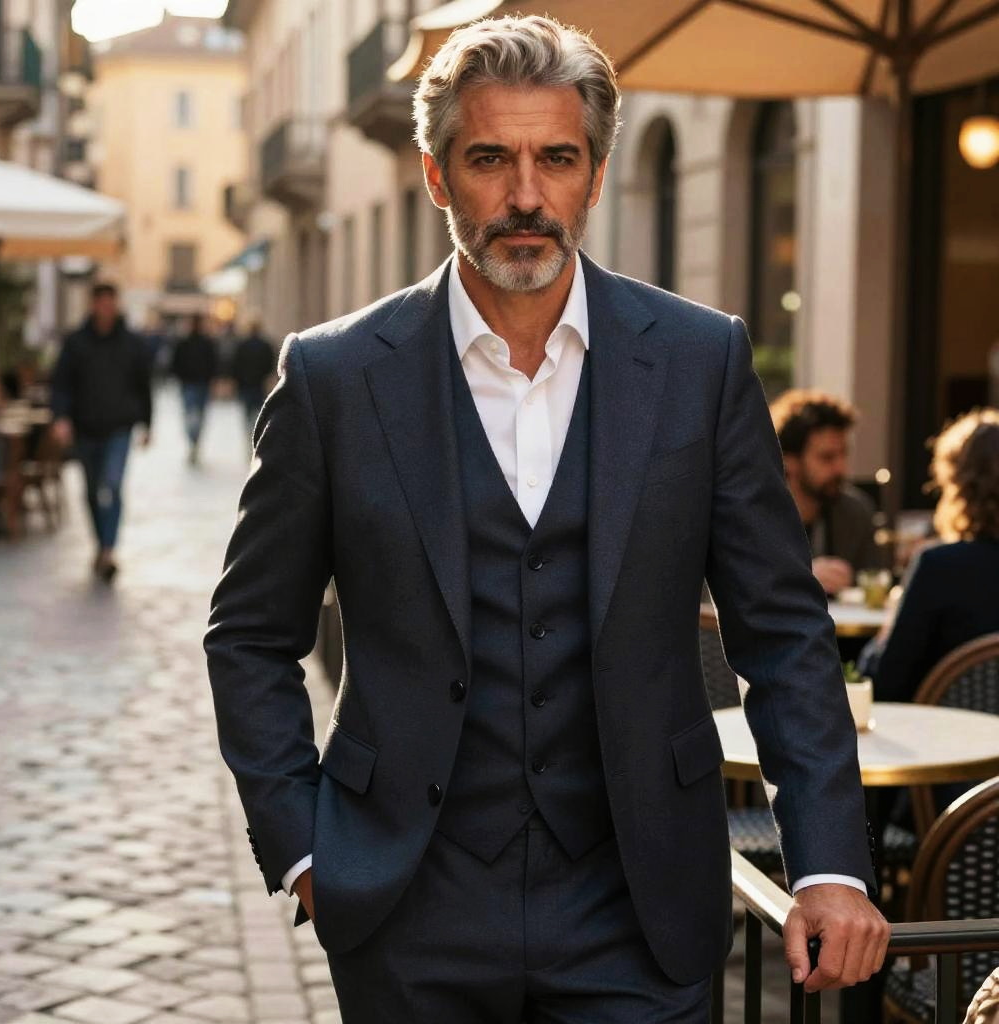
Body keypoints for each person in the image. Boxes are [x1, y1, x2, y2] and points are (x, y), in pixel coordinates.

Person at [205, 16, 888, 1022]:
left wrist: (831, 860)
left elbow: (783, 631)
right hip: (405, 904)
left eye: (555, 158)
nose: (525, 195)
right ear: (438, 176)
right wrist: (306, 848)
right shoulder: (334, 378)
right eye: (490, 158)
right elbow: (251, 634)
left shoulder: (700, 364)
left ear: (596, 173)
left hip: (636, 904)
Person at [861, 409, 999, 703]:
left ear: (957, 486)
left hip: (952, 743)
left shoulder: (939, 566)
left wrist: (885, 631)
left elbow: (885, 684)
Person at [50, 282, 152, 581]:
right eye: (101, 302)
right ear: (93, 305)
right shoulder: (76, 342)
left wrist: (148, 423)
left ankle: (108, 550)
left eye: (111, 302)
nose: (107, 308)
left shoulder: (131, 343)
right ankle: (100, 543)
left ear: (116, 304)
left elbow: (143, 386)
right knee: (92, 491)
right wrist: (61, 417)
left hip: (120, 427)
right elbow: (61, 384)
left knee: (113, 485)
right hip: (85, 427)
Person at [769, 388, 888, 596]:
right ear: (789, 461)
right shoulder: (757, 514)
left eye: (844, 454)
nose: (841, 468)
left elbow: (872, 581)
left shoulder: (856, 511)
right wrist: (801, 577)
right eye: (827, 457)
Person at [171, 313, 218, 465]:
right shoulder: (185, 342)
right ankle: (193, 441)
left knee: (195, 415)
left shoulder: (204, 342)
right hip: (191, 383)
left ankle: (194, 441)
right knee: (193, 415)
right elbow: (176, 362)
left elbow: (213, 363)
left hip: (198, 384)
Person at [231, 319, 275, 436]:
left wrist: (237, 380)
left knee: (247, 411)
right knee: (258, 410)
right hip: (259, 383)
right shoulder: (265, 345)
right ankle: (256, 432)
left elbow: (236, 365)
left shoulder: (242, 345)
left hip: (246, 384)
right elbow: (270, 363)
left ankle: (249, 433)